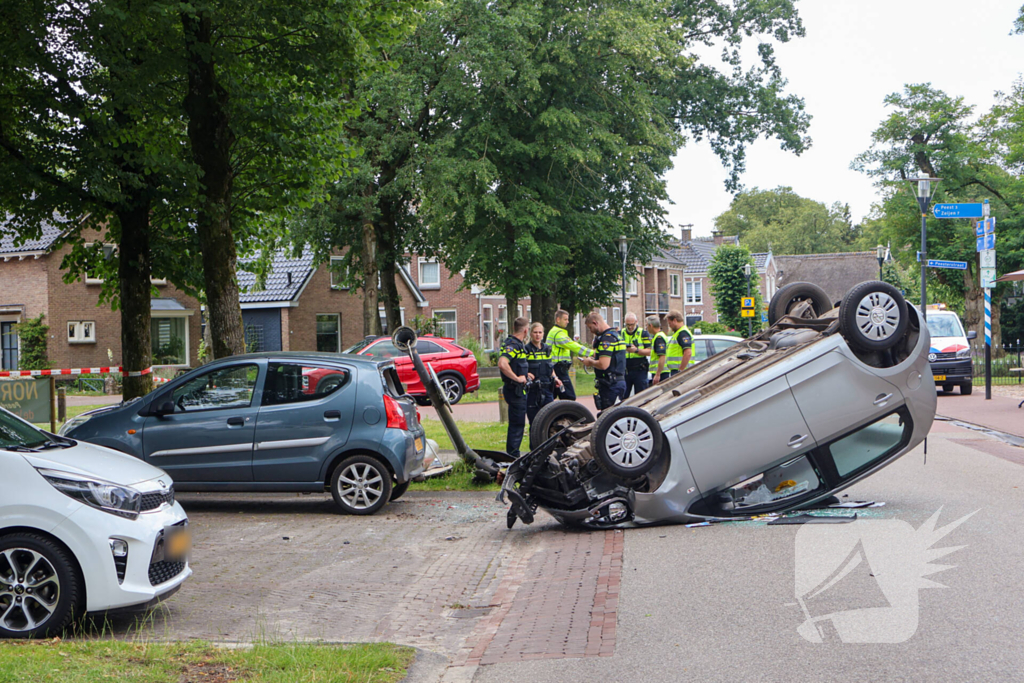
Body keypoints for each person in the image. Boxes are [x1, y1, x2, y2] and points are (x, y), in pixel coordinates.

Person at [498, 317, 531, 458]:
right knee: (517, 424)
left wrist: (525, 374)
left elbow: (515, 364)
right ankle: (513, 456)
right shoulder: (513, 345)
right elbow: (502, 363)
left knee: (518, 423)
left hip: (517, 389)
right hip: (514, 389)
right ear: (525, 330)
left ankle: (513, 454)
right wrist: (517, 378)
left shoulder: (517, 344)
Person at [580, 312, 626, 412]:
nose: (591, 331)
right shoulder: (617, 335)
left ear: (595, 323)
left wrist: (590, 362)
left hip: (611, 385)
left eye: (590, 328)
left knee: (608, 417)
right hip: (618, 380)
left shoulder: (607, 339)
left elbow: (604, 365)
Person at [546, 309, 590, 400]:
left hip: (554, 368)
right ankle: (564, 414)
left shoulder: (555, 331)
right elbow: (574, 346)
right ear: (558, 320)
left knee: (550, 397)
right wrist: (592, 352)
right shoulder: (558, 334)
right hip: (558, 368)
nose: (568, 322)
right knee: (569, 398)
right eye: (565, 319)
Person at [525, 322, 562, 423]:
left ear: (543, 334)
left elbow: (550, 367)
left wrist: (555, 378)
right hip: (533, 390)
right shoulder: (526, 349)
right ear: (530, 333)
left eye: (540, 332)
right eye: (535, 332)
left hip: (547, 389)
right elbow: (521, 367)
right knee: (534, 422)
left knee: (549, 420)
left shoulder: (547, 349)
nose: (537, 335)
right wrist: (526, 374)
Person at [621, 312, 651, 397]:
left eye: (632, 324)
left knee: (641, 396)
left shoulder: (643, 333)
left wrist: (636, 350)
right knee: (624, 396)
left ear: (636, 322)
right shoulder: (621, 333)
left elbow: (650, 351)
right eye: (627, 325)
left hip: (639, 368)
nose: (630, 327)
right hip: (625, 369)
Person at [664, 310, 694, 376]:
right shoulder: (678, 333)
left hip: (681, 371)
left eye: (670, 323)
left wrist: (681, 370)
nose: (670, 326)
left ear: (675, 320)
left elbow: (688, 352)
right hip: (679, 370)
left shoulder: (682, 333)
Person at [646, 315, 670, 384]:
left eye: (647, 325)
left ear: (651, 325)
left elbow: (662, 356)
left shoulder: (659, 338)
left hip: (661, 373)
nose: (646, 328)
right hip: (662, 372)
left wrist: (657, 374)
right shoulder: (660, 336)